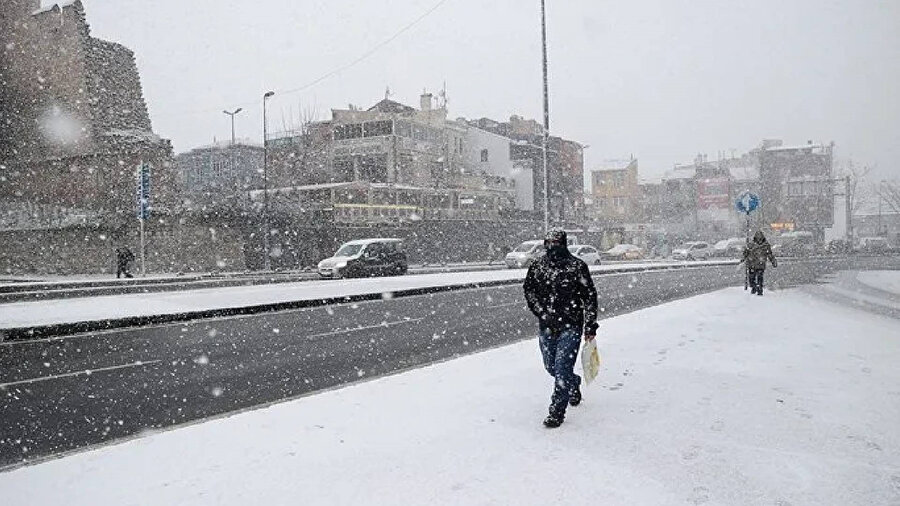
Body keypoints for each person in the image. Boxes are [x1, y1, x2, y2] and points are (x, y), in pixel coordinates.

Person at [523, 229, 599, 428]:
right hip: (547, 326)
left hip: (571, 325)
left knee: (562, 368)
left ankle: (557, 410)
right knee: (551, 367)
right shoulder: (537, 266)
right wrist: (540, 311)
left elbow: (589, 296)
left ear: (563, 243)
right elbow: (529, 291)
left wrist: (590, 324)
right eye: (549, 242)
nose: (552, 246)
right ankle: (573, 383)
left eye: (556, 242)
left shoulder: (577, 266)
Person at [741, 231, 777, 295]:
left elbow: (770, 254)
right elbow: (745, 253)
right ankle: (754, 287)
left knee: (760, 277)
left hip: (761, 264)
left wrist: (773, 261)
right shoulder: (751, 244)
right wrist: (743, 258)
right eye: (757, 236)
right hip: (752, 264)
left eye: (760, 236)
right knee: (751, 279)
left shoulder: (766, 245)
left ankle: (759, 289)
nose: (759, 238)